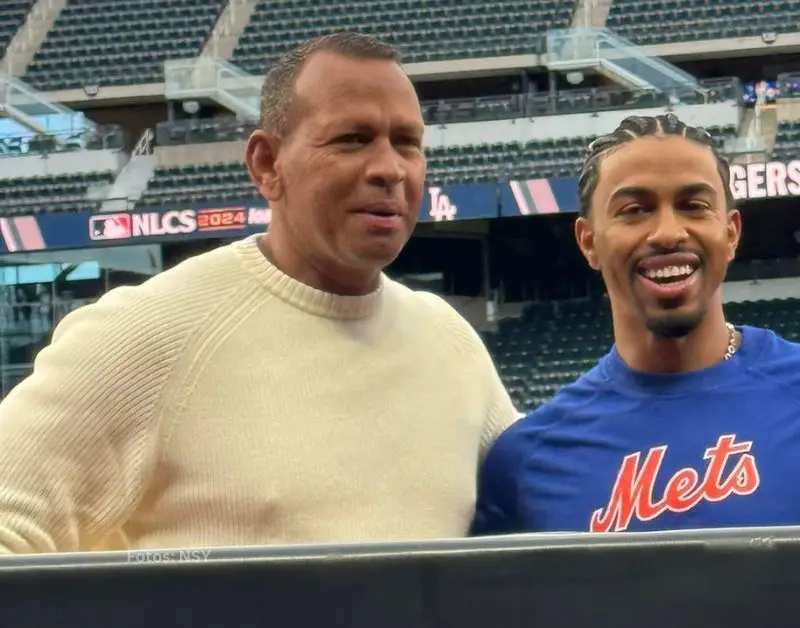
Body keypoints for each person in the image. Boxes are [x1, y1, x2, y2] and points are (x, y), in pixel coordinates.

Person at [0, 32, 516, 554]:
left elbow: (539, 511)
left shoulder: (451, 341)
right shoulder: (146, 333)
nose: (389, 168)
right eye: (352, 139)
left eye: (407, 142)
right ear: (267, 164)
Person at [471, 114, 800, 535]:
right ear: (589, 242)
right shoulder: (526, 461)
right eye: (634, 210)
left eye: (693, 205)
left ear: (730, 233)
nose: (667, 232)